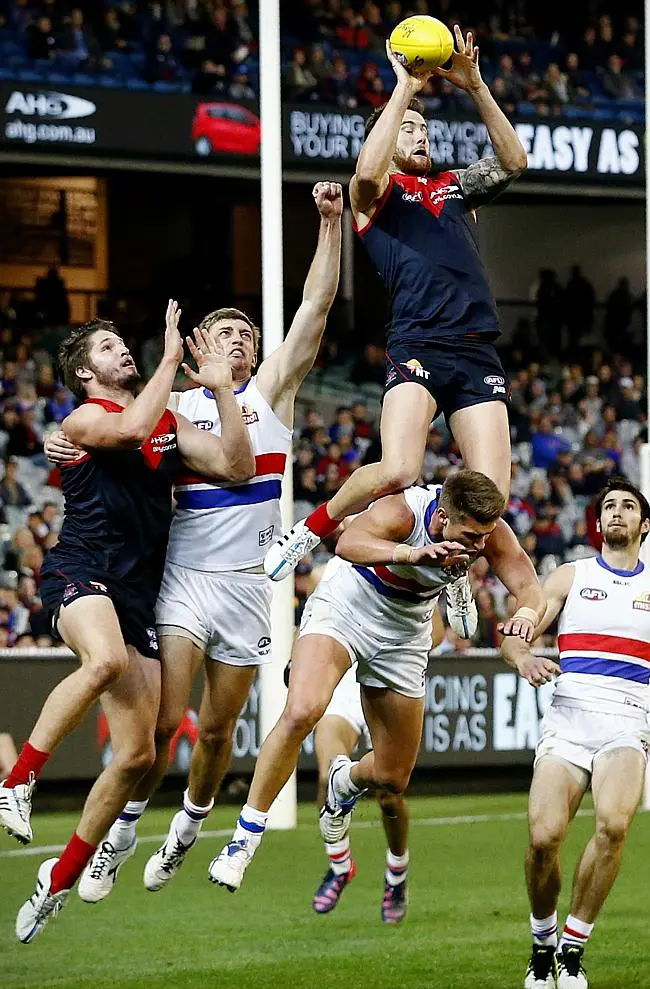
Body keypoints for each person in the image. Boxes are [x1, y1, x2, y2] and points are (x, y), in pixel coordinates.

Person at [47, 183, 343, 901]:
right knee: (165, 722)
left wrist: (331, 225)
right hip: (182, 576)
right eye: (225, 331)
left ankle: (188, 829)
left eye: (247, 333)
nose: (240, 339)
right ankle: (120, 836)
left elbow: (314, 310)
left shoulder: (269, 394)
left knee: (217, 734)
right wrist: (64, 440)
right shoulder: (170, 405)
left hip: (249, 583)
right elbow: (107, 423)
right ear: (200, 345)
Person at [1, 304, 254, 943]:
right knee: (105, 661)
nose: (123, 350)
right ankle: (17, 781)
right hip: (81, 571)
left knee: (140, 753)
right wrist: (173, 357)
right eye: (108, 347)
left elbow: (237, 466)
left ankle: (56, 881)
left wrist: (222, 391)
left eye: (123, 342)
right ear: (86, 371)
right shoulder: (86, 417)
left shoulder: (165, 422)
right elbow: (132, 426)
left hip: (139, 596)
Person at [264, 27, 529, 638]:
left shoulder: (455, 188)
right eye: (408, 127)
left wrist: (477, 86)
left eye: (424, 128)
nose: (420, 132)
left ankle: (456, 573)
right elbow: (364, 168)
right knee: (399, 471)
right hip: (417, 345)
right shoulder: (374, 196)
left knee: (493, 497)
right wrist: (404, 89)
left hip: (475, 350)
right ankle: (309, 531)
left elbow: (513, 161)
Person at [208, 471, 554, 892]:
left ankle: (343, 782)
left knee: (393, 776)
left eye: (484, 536)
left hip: (408, 629)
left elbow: (529, 587)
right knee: (302, 709)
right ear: (442, 517)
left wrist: (524, 616)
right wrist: (412, 555)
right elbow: (348, 544)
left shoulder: (488, 532)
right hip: (349, 603)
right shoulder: (402, 511)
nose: (480, 545)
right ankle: (243, 841)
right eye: (470, 536)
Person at [501, 477, 650, 989]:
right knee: (543, 839)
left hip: (627, 722)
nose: (617, 512)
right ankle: (542, 942)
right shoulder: (570, 574)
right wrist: (522, 657)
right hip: (568, 721)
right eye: (609, 505)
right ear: (597, 520)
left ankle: (573, 945)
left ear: (643, 524)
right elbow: (520, 628)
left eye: (628, 507)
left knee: (613, 825)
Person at [310, 606, 445, 922]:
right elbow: (309, 624)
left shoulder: (412, 566)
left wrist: (392, 640)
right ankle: (340, 864)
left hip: (390, 679)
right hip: (343, 683)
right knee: (328, 773)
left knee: (388, 791)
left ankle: (397, 872)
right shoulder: (328, 572)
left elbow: (437, 633)